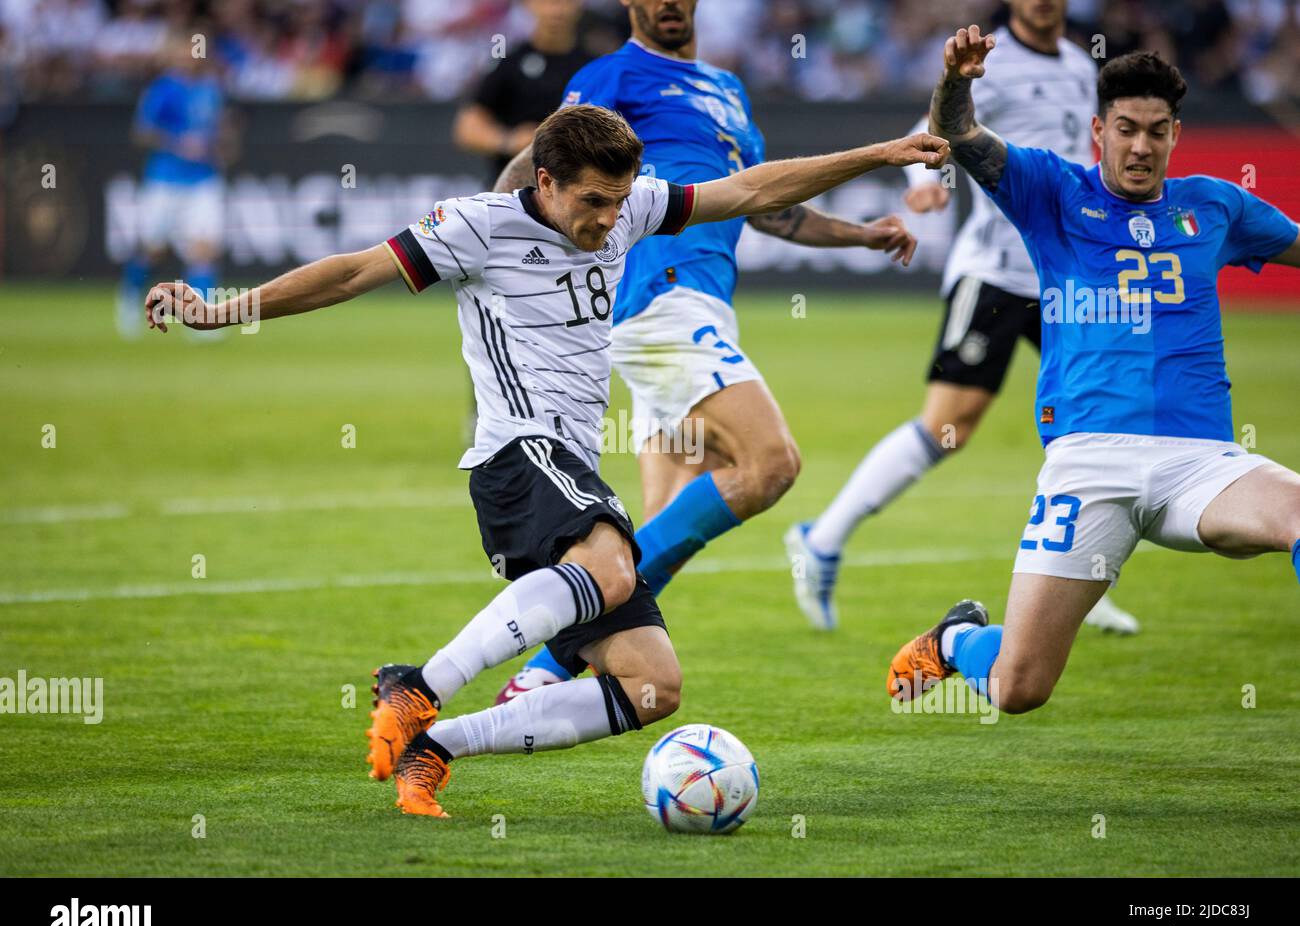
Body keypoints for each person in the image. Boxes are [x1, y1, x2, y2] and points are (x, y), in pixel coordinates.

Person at [145, 104, 949, 815]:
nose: (607, 220)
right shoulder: (477, 225)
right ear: (546, 180)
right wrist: (225, 310)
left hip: (571, 467)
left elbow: (753, 190)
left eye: (618, 200)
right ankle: (416, 687)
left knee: (651, 685)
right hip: (516, 453)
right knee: (613, 570)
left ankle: (440, 747)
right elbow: (352, 271)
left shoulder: (630, 210)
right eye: (592, 202)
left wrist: (876, 155)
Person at [493, 0, 920, 700]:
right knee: (769, 463)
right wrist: (484, 236)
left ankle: (542, 683)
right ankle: (548, 661)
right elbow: (536, 166)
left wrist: (860, 235)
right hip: (660, 298)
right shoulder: (614, 76)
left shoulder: (727, 91)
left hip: (701, 306)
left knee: (655, 543)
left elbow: (766, 206)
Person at [889, 28, 1300, 713]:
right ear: (1098, 129)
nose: (1141, 147)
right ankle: (961, 640)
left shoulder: (1217, 205)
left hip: (1203, 465)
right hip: (1089, 463)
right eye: (1127, 129)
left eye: (1157, 131)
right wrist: (956, 80)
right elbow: (956, 132)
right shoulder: (1051, 190)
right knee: (1019, 690)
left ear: (1175, 133)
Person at [787, 0, 1139, 637]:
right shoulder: (989, 60)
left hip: (1067, 278)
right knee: (950, 424)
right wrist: (933, 181)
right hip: (998, 274)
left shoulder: (1080, 63)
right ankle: (822, 539)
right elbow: (940, 127)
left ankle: (1088, 574)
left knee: (1100, 422)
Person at [117, 33, 227, 339]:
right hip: (165, 179)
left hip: (203, 178)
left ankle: (203, 321)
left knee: (203, 248)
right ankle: (130, 297)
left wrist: (220, 146)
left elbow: (218, 131)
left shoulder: (211, 89)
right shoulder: (163, 89)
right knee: (153, 248)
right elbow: (142, 132)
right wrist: (177, 143)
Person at [452, 0, 593, 185]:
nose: (556, 11)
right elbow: (467, 128)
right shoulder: (508, 61)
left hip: (571, 187)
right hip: (511, 191)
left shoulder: (594, 66)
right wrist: (509, 141)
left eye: (564, 2)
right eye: (547, 3)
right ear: (529, 4)